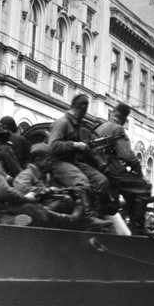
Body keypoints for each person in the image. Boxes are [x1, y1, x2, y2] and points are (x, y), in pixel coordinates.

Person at [0, 123, 80, 228]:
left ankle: (13, 220)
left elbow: (7, 181)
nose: (10, 149)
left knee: (29, 209)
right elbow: (6, 193)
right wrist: (26, 198)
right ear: (0, 146)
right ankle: (68, 219)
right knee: (29, 209)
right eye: (7, 146)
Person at [48, 94, 111, 231]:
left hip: (71, 161)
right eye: (85, 108)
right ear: (82, 107)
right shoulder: (63, 122)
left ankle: (96, 217)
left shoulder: (75, 125)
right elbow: (53, 146)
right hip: (57, 163)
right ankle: (88, 218)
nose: (86, 112)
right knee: (81, 182)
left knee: (101, 181)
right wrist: (75, 145)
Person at [94, 102, 152, 235]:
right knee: (143, 187)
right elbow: (127, 156)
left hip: (98, 170)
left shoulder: (100, 128)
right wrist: (139, 172)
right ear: (125, 119)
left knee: (131, 188)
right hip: (111, 171)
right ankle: (138, 227)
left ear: (113, 112)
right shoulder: (117, 129)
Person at [13, 143, 75, 214]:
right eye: (48, 160)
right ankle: (43, 215)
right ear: (37, 160)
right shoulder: (27, 174)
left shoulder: (43, 176)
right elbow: (21, 189)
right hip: (30, 208)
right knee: (65, 200)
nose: (51, 162)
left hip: (40, 205)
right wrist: (46, 190)